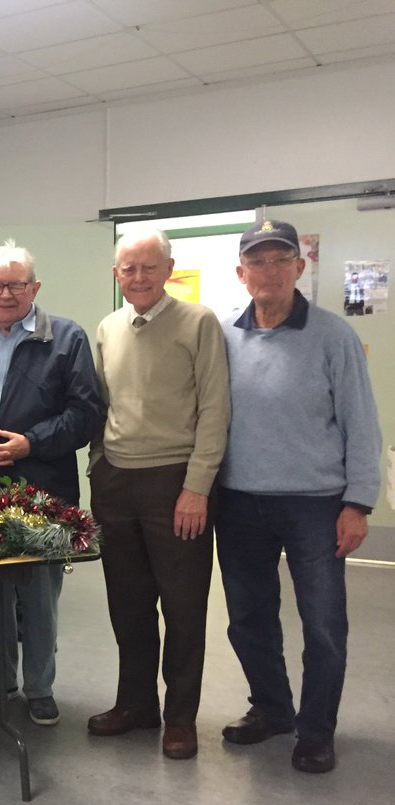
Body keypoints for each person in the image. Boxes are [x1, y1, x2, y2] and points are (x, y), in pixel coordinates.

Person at [216, 219, 382, 775]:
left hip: (315, 504)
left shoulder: (333, 337)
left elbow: (363, 424)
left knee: (324, 624)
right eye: (257, 262)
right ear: (241, 273)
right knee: (247, 619)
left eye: (279, 260)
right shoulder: (223, 336)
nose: (268, 271)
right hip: (239, 502)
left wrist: (358, 502)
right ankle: (272, 709)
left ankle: (315, 731)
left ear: (299, 267)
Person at [0, 240, 103, 727]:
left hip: (43, 487)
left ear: (35, 287)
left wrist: (29, 443)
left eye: (17, 284)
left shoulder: (67, 339)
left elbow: (85, 415)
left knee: (39, 595)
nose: (6, 294)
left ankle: (40, 687)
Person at [87, 225, 230, 760]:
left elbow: (216, 409)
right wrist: (101, 467)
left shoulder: (198, 323)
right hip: (118, 482)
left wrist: (197, 487)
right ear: (117, 274)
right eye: (129, 268)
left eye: (150, 266)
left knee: (185, 606)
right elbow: (103, 407)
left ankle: (180, 718)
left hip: (177, 484)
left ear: (168, 270)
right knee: (128, 605)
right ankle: (136, 705)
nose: (139, 276)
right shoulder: (108, 327)